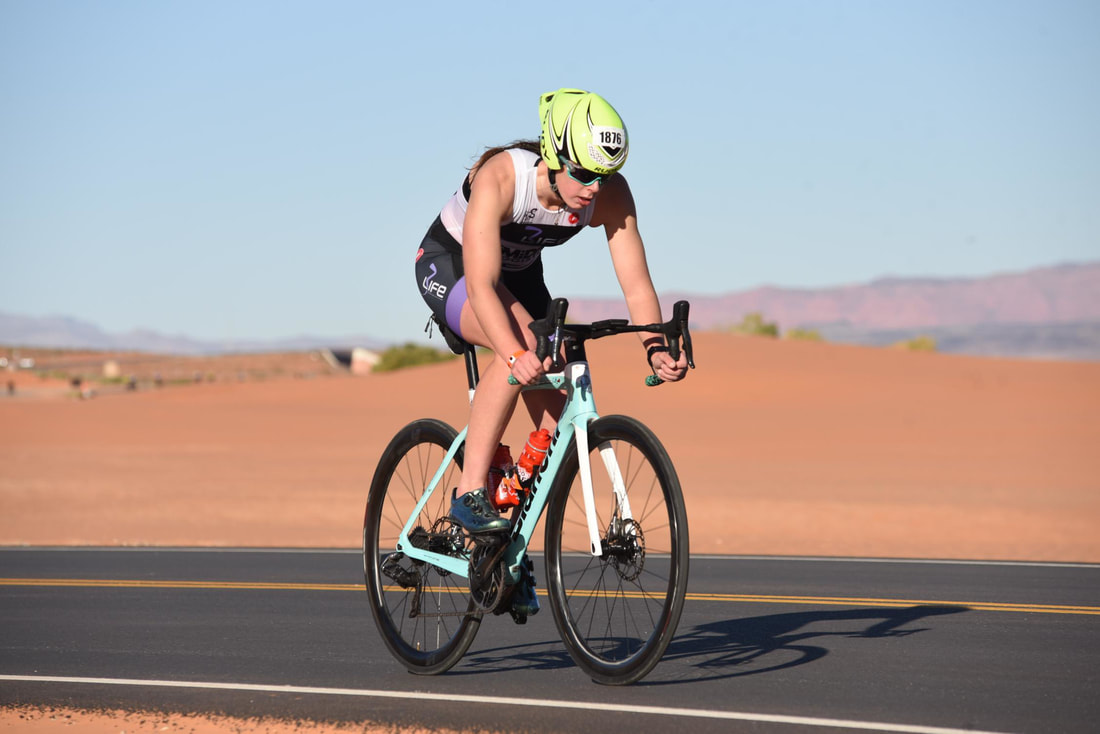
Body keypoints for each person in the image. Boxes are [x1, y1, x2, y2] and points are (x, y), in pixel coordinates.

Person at [415, 88, 689, 536]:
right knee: (523, 348)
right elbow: (483, 285)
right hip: (454, 266)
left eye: (606, 174)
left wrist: (655, 345)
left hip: (519, 280)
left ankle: (505, 551)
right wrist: (511, 354)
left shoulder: (607, 193)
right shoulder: (503, 177)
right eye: (584, 174)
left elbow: (636, 283)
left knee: (559, 418)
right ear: (555, 155)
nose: (595, 188)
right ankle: (468, 494)